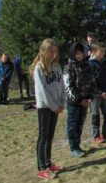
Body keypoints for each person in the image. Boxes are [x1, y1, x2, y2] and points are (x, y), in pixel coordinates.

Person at [30, 38, 66, 180]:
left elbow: (62, 85)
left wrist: (62, 103)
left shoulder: (56, 66)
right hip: (45, 107)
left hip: (57, 106)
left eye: (55, 51)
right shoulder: (39, 68)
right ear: (44, 51)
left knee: (50, 136)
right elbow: (43, 91)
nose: (54, 53)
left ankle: (48, 162)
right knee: (43, 136)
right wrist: (54, 106)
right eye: (51, 51)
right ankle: (41, 167)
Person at [65, 42, 97, 158]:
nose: (79, 55)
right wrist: (79, 100)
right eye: (76, 53)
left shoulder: (87, 65)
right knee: (72, 125)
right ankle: (73, 148)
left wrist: (90, 98)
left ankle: (78, 146)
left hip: (85, 101)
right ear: (73, 54)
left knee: (80, 124)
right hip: (74, 102)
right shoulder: (68, 67)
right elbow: (69, 86)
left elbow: (92, 82)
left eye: (81, 53)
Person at [89, 42, 106, 144]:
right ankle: (96, 136)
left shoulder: (105, 63)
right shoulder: (90, 64)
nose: (103, 54)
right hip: (95, 94)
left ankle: (105, 133)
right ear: (94, 52)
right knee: (95, 115)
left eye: (104, 52)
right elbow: (90, 81)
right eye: (101, 51)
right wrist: (99, 93)